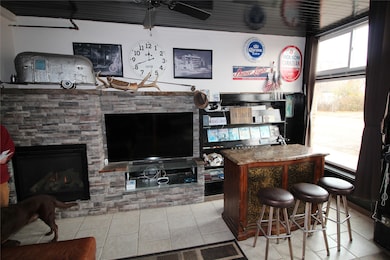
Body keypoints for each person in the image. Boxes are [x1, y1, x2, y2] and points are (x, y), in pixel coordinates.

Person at [0, 125, 15, 207]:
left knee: (3, 208)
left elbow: (10, 147)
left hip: (1, 179)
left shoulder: (1, 129)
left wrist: (6, 158)